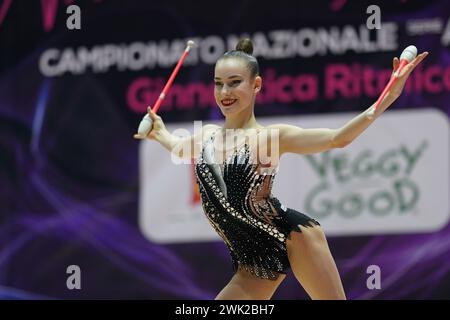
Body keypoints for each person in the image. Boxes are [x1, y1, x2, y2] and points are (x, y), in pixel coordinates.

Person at [134, 39, 428, 300]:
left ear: (257, 85)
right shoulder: (205, 136)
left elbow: (338, 139)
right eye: (218, 83)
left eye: (235, 82)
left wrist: (386, 98)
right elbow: (179, 147)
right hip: (255, 259)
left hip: (293, 237)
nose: (224, 91)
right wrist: (158, 133)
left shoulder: (270, 138)